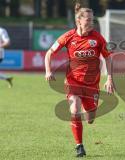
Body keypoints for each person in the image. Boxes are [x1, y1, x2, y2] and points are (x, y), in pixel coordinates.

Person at [45, 3, 115, 158]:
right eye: (88, 20)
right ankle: (79, 146)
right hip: (73, 82)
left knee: (90, 119)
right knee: (74, 111)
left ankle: (87, 108)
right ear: (79, 21)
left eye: (92, 20)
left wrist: (109, 78)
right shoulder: (68, 36)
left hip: (92, 85)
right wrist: (48, 71)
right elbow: (49, 53)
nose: (91, 22)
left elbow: (108, 57)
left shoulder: (97, 38)